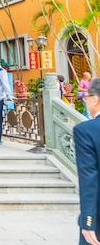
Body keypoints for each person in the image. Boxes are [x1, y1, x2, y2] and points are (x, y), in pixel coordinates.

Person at [74, 77, 100, 245]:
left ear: (96, 99)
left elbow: (89, 179)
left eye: (87, 97)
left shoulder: (86, 131)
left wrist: (88, 221)